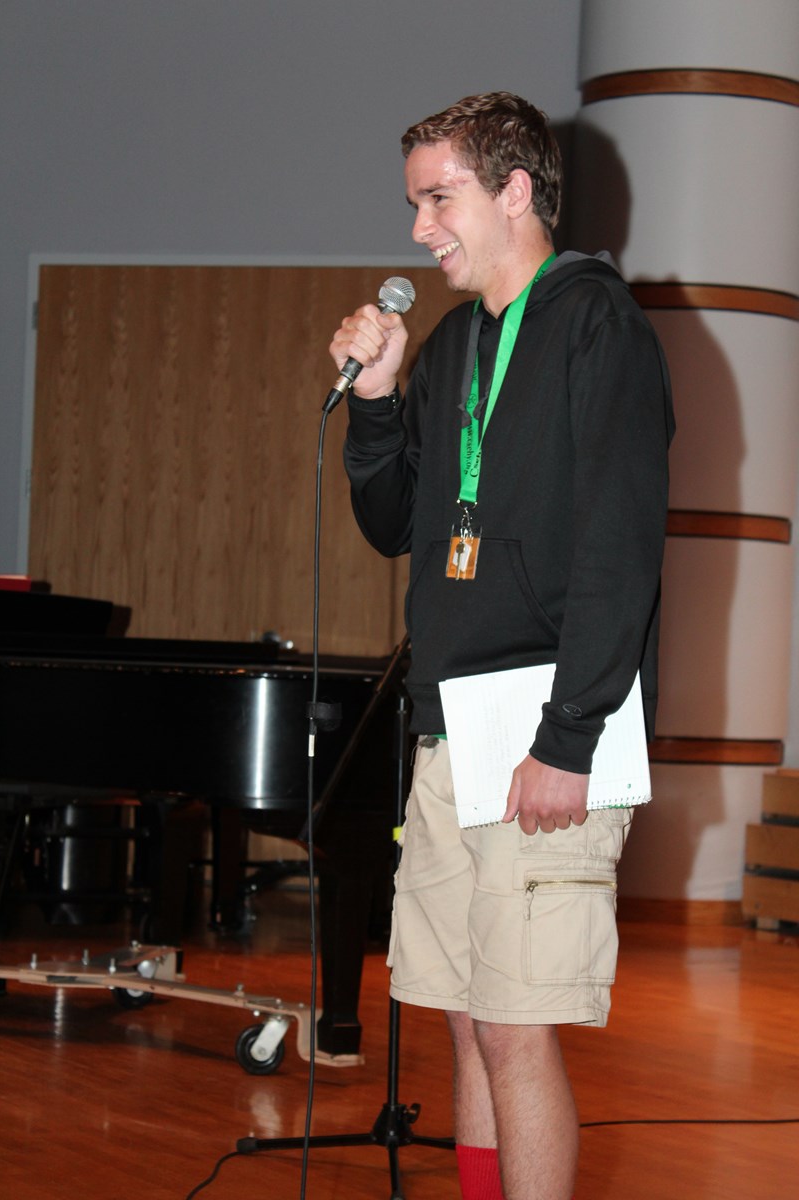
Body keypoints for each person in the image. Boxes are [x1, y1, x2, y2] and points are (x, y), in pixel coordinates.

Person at [329, 92, 674, 1200]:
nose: (419, 228)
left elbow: (619, 549)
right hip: (453, 728)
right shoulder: (451, 346)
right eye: (414, 203)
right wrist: (377, 401)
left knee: (519, 1029)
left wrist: (569, 739)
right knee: (470, 1018)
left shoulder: (597, 325)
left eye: (440, 199)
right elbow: (397, 524)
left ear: (515, 190)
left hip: (550, 734)